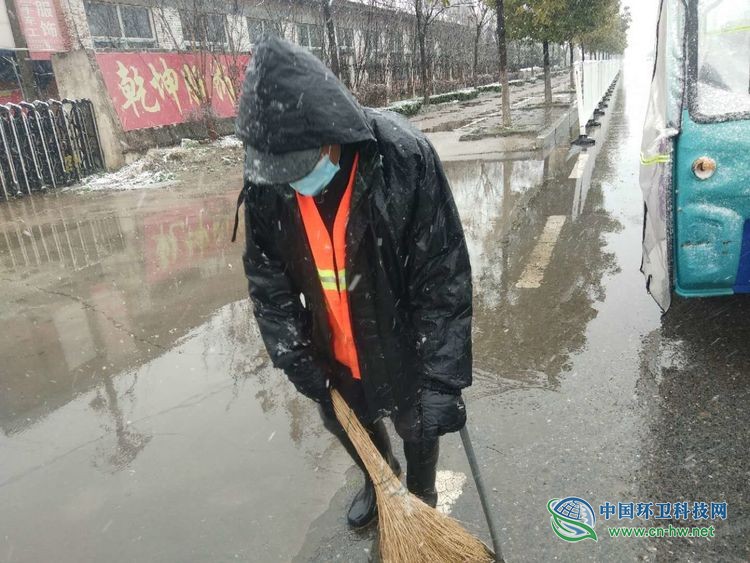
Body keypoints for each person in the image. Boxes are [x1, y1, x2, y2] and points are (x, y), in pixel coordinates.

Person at [233, 37, 472, 529]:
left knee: (417, 425)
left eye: (300, 168)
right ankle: (380, 481)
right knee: (348, 422)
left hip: (402, 345)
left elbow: (442, 276)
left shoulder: (402, 159)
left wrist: (442, 379)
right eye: (283, 173)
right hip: (332, 348)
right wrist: (296, 355)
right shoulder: (266, 182)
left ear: (330, 133)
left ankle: (419, 494)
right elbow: (267, 280)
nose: (293, 182)